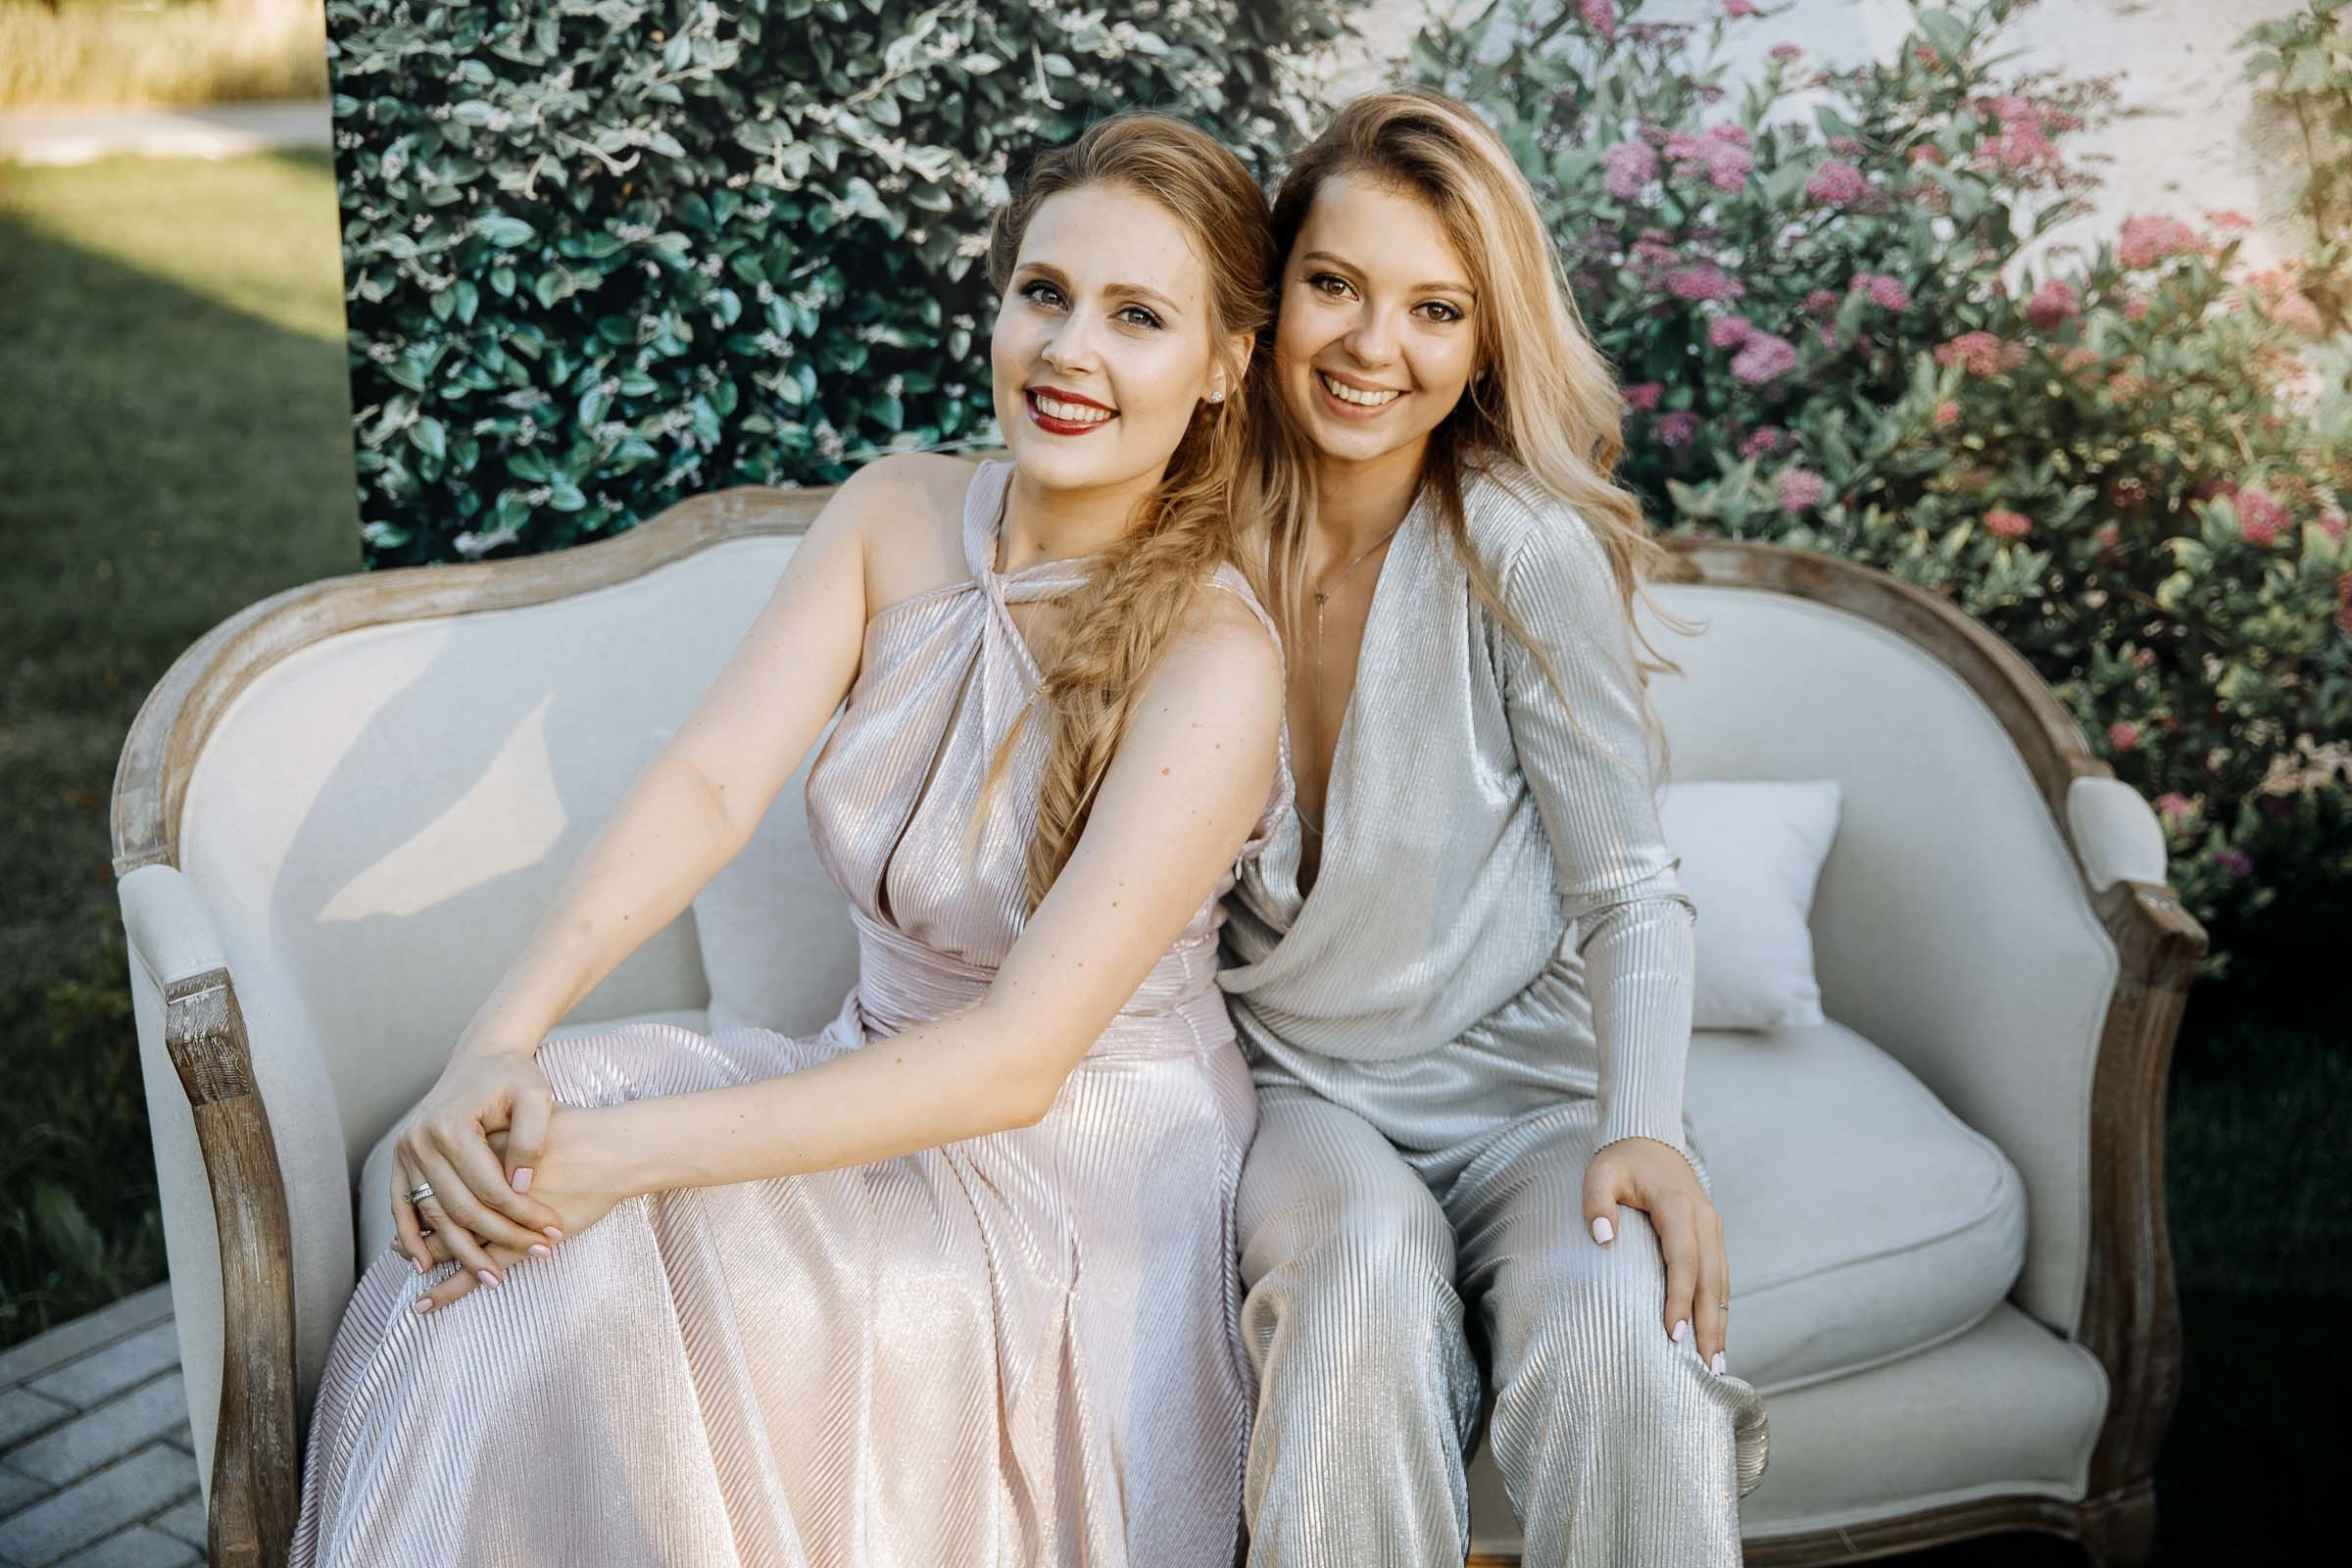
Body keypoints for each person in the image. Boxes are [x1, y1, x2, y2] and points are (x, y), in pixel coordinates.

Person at [291, 110, 1293, 1568]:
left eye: (1138, 318)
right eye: (1045, 294)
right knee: (535, 1140)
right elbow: (708, 783)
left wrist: (632, 1166)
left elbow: (1017, 1063)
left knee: (616, 1236)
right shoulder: (900, 511)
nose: (1071, 351)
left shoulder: (1213, 655)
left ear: (1222, 368)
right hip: (858, 1075)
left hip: (1072, 1175)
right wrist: (496, 1038)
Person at [1218, 89, 1770, 1566]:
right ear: (1273, 299)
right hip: (1303, 1090)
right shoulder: (1193, 535)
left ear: (1480, 347)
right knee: (1355, 1296)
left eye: (1434, 310)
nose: (1371, 348)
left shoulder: (1518, 545)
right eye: (1334, 285)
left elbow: (1631, 890)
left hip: (1532, 1096)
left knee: (1620, 1335)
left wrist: (1646, 1132)